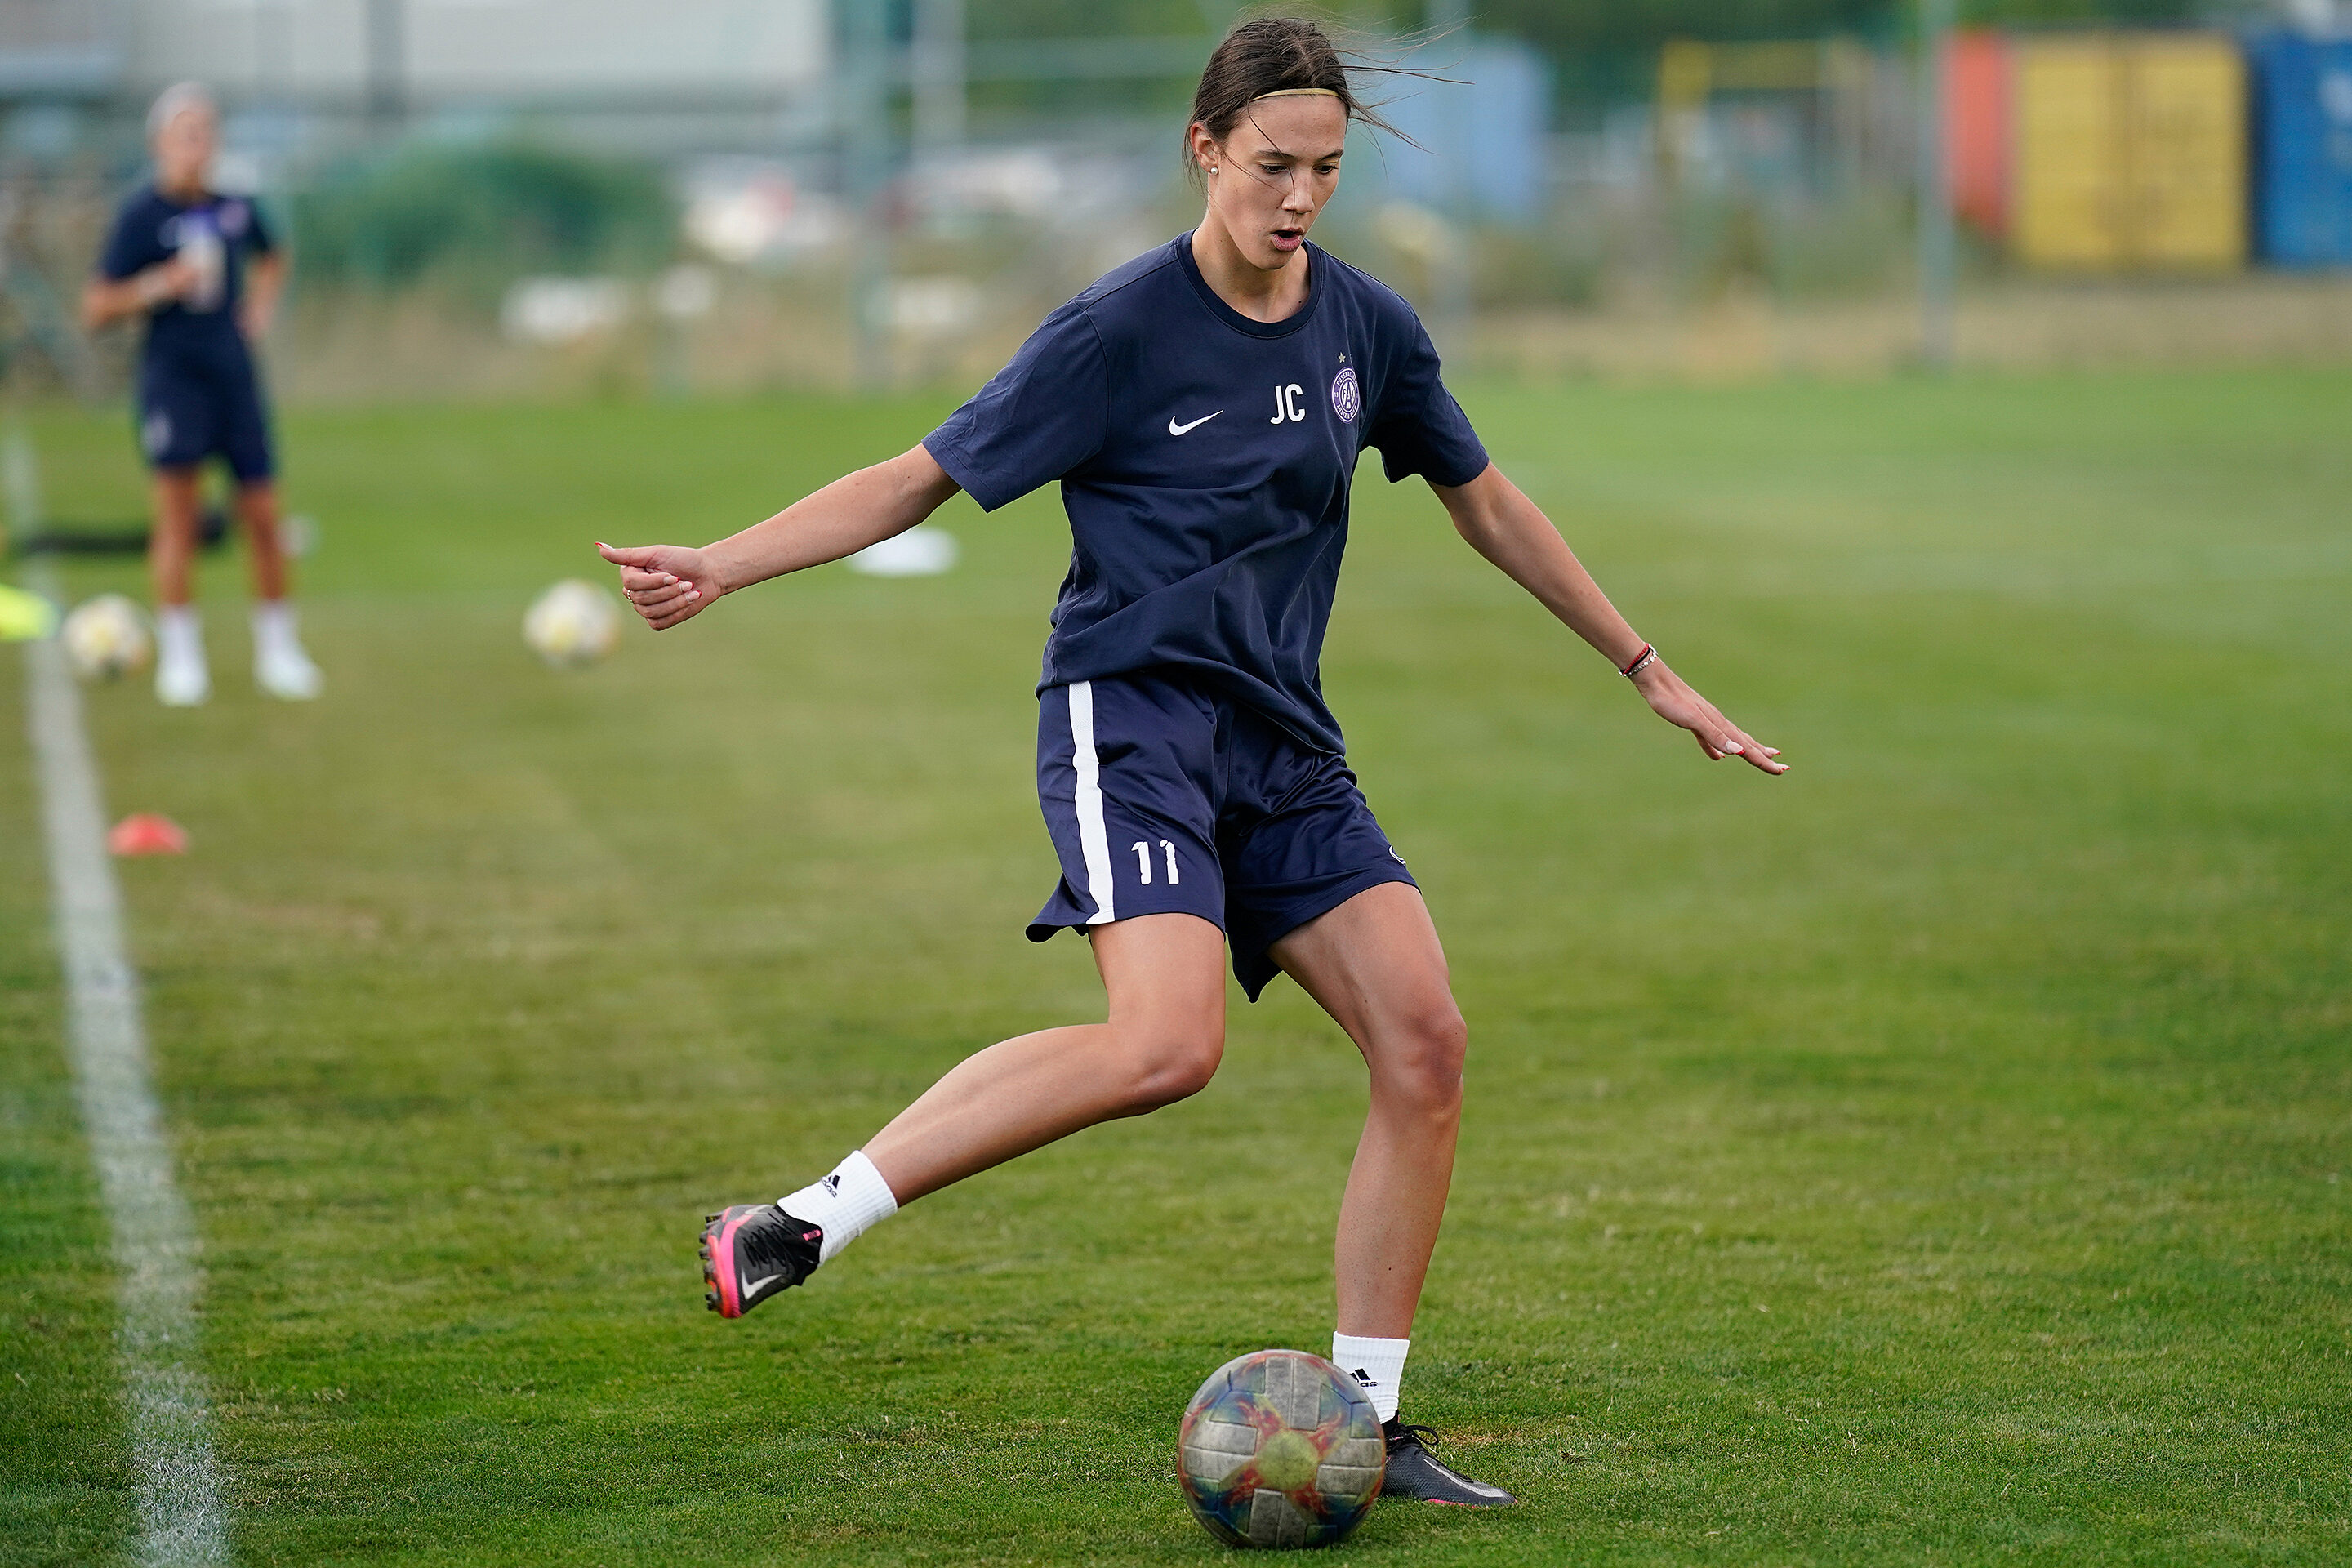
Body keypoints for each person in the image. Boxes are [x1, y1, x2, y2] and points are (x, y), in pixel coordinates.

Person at [600, 17, 1784, 1508]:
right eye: (1275, 164)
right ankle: (801, 1222)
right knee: (1167, 1049)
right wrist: (722, 562)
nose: (1301, 196)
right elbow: (912, 481)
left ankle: (1363, 1423)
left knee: (1426, 1042)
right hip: (1133, 722)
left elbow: (1486, 502)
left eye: (1327, 170)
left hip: (1284, 742)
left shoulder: (1367, 329)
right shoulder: (1116, 333)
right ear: (1205, 148)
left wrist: (1647, 668)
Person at [82, 81, 322, 707]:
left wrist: (260, 308)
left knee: (263, 514)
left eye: (207, 133)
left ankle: (279, 651)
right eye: (186, 134)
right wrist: (157, 285)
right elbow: (96, 306)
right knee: (179, 518)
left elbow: (274, 255)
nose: (199, 145)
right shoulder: (142, 215)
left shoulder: (234, 205)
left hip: (234, 377)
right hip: (174, 378)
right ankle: (181, 658)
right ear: (160, 143)